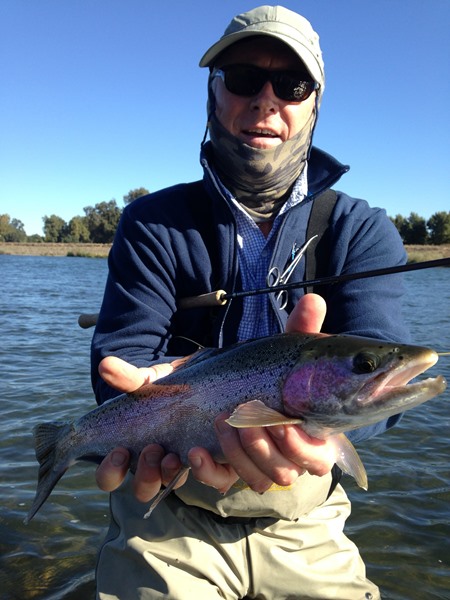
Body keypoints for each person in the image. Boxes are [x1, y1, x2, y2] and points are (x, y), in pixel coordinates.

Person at [91, 5, 409, 599]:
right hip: (167, 511)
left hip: (306, 519)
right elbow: (120, 362)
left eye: (291, 85)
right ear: (213, 95)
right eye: (242, 78)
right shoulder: (152, 223)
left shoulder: (363, 231)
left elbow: (380, 401)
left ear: (315, 103)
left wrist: (312, 437)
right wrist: (142, 398)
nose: (266, 100)